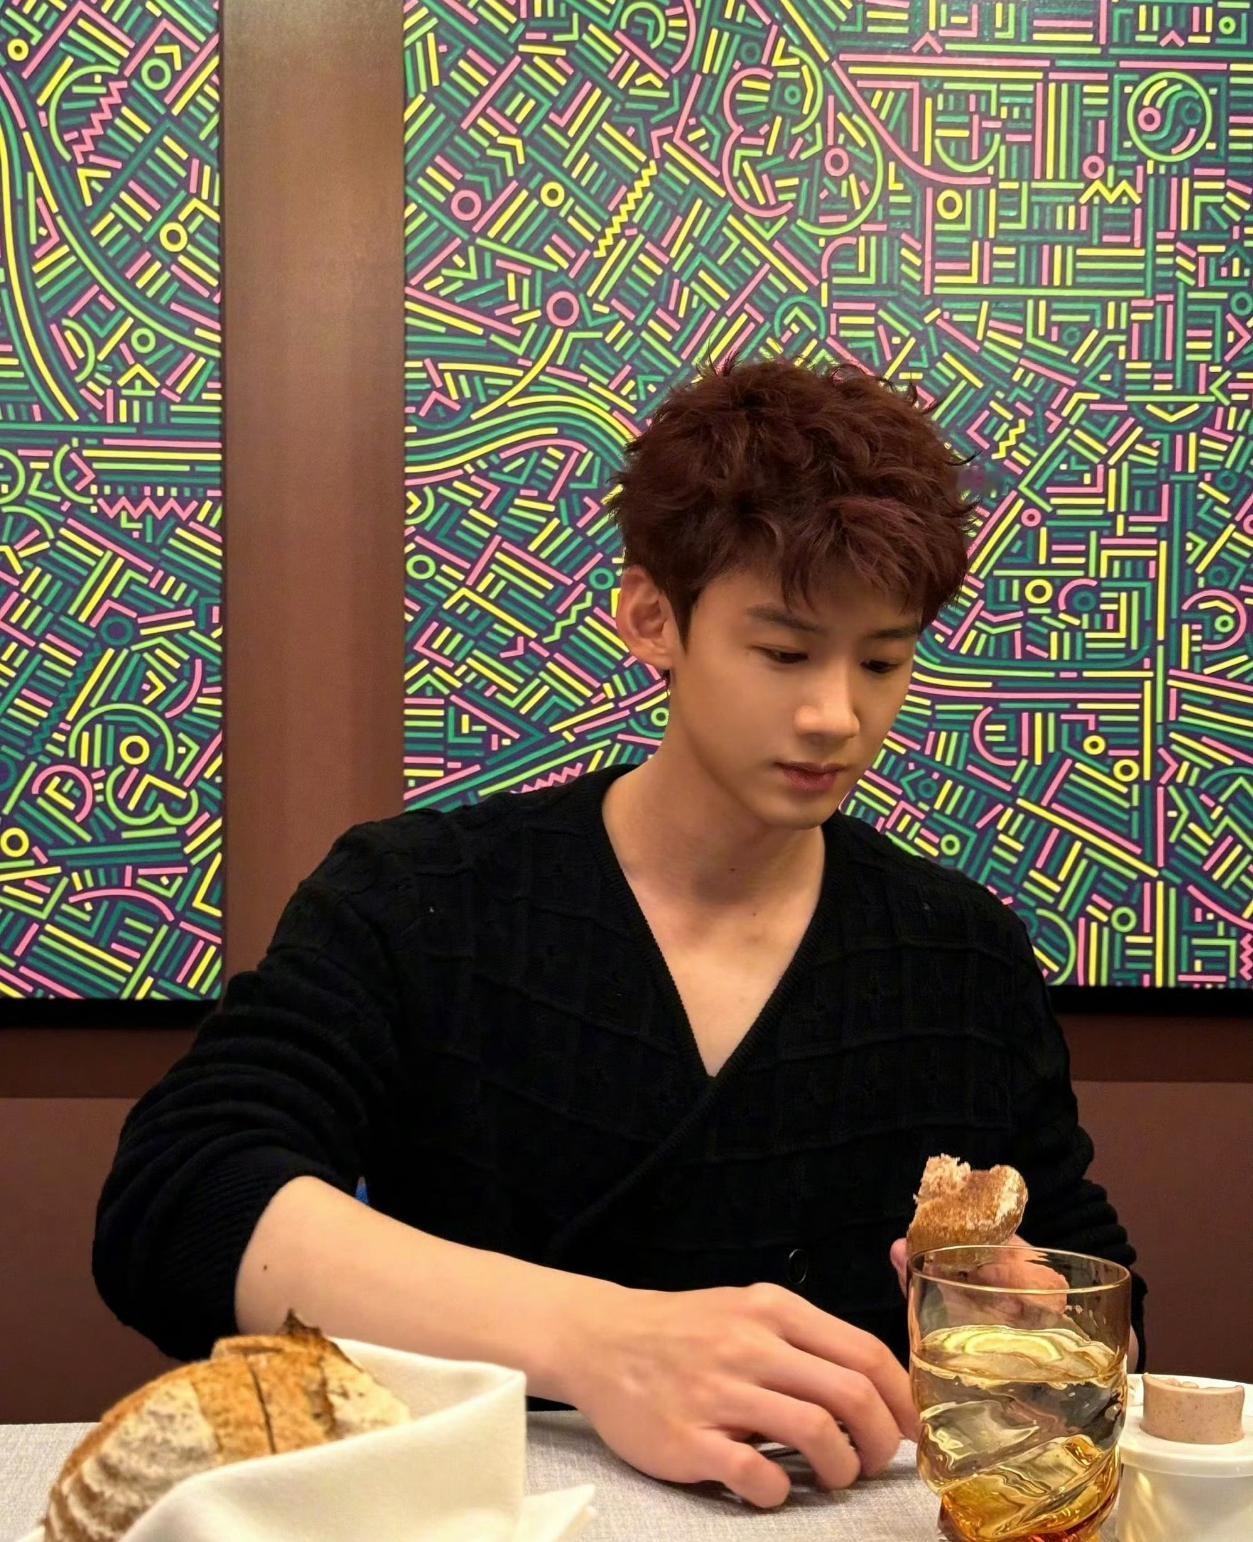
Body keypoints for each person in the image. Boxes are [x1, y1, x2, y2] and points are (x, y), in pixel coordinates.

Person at [94, 353, 1144, 1509]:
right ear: (652, 618)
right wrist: (595, 1340)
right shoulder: (423, 899)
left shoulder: (959, 953)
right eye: (783, 652)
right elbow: (182, 1199)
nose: (834, 714)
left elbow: (1103, 1293)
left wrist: (1039, 1325)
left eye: (882, 660)